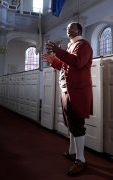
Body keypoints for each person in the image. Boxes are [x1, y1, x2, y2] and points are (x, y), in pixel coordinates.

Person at [41, 22, 93, 176]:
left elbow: (77, 63)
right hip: (67, 90)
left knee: (77, 124)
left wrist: (58, 51)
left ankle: (81, 159)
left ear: (78, 30)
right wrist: (54, 61)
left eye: (71, 27)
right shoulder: (71, 46)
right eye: (67, 28)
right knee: (70, 122)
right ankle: (72, 152)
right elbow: (65, 66)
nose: (67, 29)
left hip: (78, 91)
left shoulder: (83, 45)